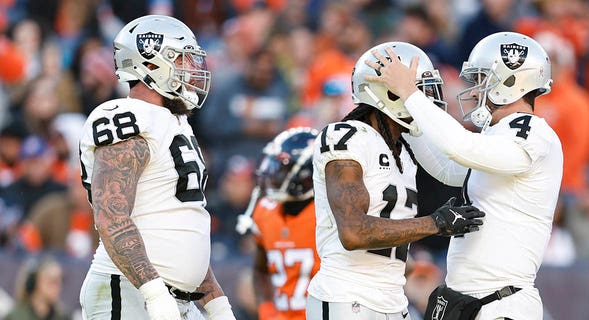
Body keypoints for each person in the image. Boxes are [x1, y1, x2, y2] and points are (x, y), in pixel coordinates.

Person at [367, 32, 562, 319]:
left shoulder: (534, 132)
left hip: (501, 303)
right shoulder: (498, 136)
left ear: (510, 81)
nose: (473, 91)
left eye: (482, 79)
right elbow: (448, 168)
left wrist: (411, 95)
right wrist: (407, 119)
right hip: (471, 302)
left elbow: (461, 148)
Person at [305, 41, 486, 320]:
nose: (426, 100)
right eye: (416, 90)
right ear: (389, 93)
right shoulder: (346, 136)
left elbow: (456, 167)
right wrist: (435, 223)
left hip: (392, 299)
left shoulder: (403, 146)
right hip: (347, 297)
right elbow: (353, 232)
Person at [77, 15, 235, 320]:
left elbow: (183, 228)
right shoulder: (126, 115)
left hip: (176, 299)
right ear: (150, 64)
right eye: (183, 60)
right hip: (131, 291)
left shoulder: (177, 122)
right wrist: (154, 294)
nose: (193, 69)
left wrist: (216, 303)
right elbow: (111, 216)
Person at [237, 127, 321, 320]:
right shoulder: (265, 211)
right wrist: (266, 310)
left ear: (306, 174)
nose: (272, 174)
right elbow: (260, 270)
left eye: (281, 168)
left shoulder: (328, 216)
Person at [5, 256, 70, 320]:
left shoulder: (63, 316)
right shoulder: (15, 317)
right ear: (34, 282)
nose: (58, 287)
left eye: (60, 281)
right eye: (52, 281)